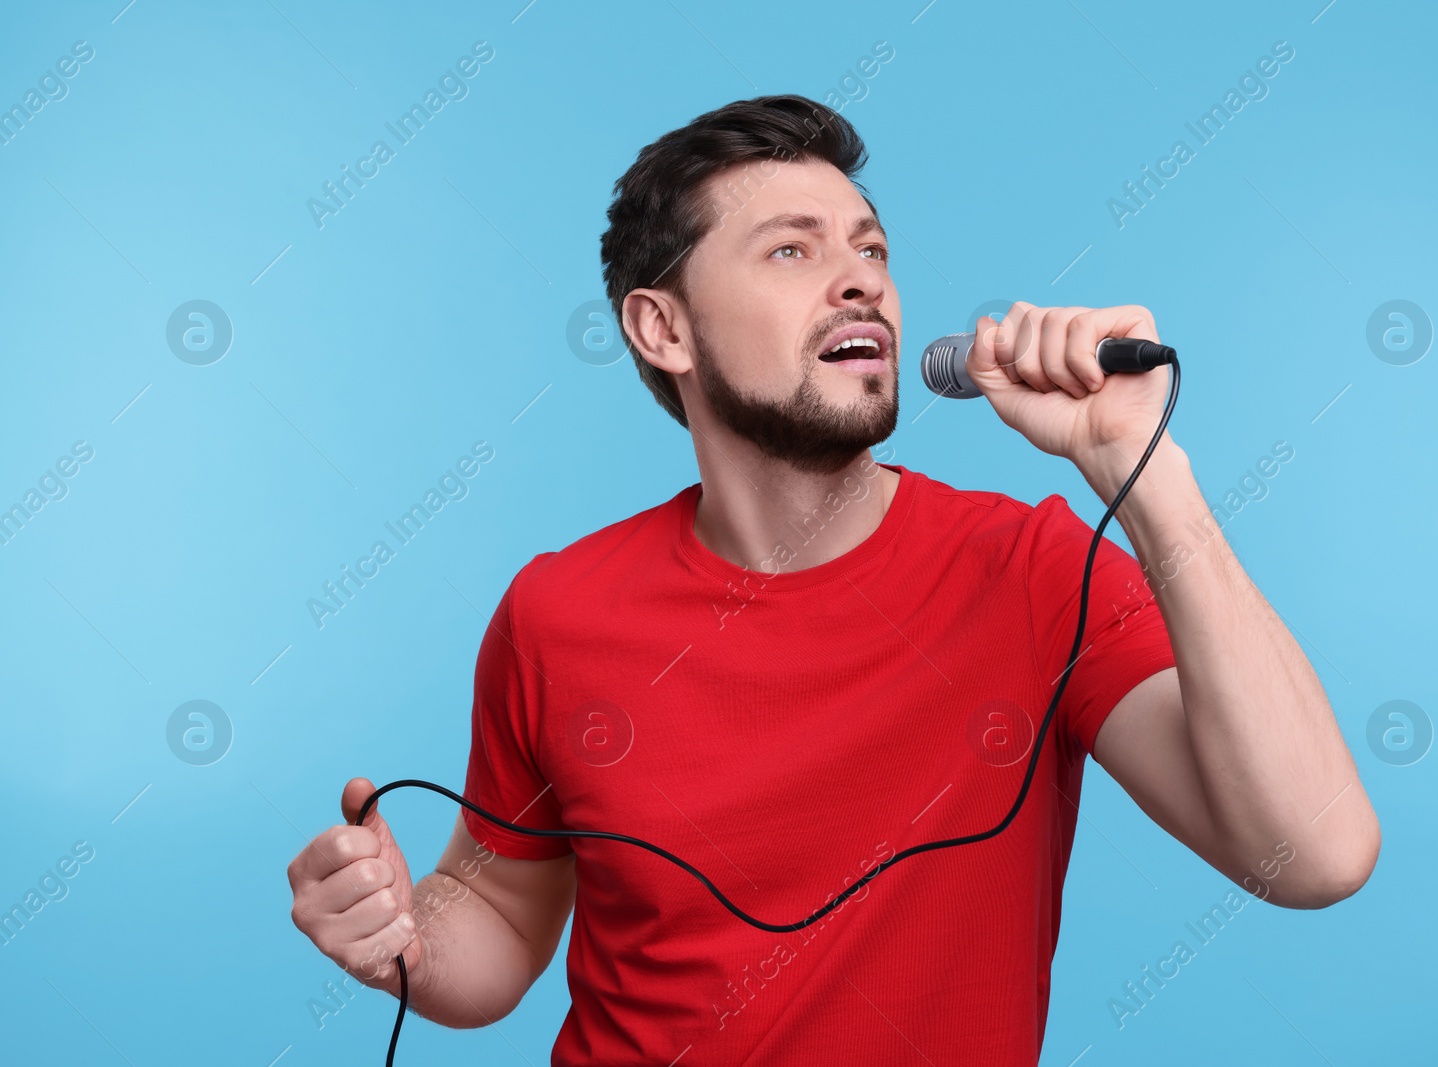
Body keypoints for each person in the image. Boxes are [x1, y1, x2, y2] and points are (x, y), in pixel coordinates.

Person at [285, 94, 1380, 1065]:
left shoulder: (1035, 570)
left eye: (871, 248)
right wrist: (403, 933)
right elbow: (502, 922)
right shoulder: (556, 610)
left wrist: (1144, 474)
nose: (862, 278)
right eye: (791, 252)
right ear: (662, 327)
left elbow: (1315, 850)